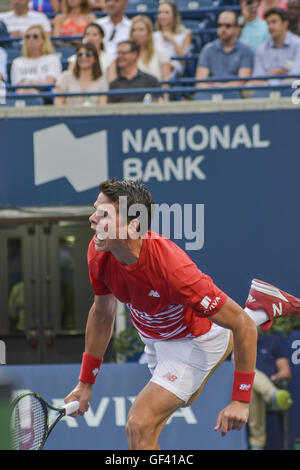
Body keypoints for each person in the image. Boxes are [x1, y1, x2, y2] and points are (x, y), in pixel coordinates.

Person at [64, 178, 300, 450]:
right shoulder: (98, 251)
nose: (92, 219)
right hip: (154, 338)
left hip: (193, 340)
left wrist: (240, 399)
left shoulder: (173, 270)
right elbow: (102, 314)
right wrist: (85, 384)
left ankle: (256, 313)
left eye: (103, 214)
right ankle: (259, 309)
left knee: (139, 424)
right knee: (145, 432)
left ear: (133, 225)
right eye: (96, 209)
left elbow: (241, 326)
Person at [248, 332, 293, 450]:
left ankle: (257, 443)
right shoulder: (230, 343)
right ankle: (272, 394)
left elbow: (286, 372)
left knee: (251, 387)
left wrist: (276, 377)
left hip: (258, 391)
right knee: (248, 373)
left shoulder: (272, 341)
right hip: (235, 390)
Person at [194, 10, 254, 97]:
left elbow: (242, 82)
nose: (223, 29)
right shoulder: (207, 49)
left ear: (236, 28)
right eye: (220, 25)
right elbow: (199, 83)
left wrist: (220, 87)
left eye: (228, 26)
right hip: (210, 95)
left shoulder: (246, 50)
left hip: (235, 96)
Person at [252, 8, 300, 85]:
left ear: (285, 24)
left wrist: (270, 78)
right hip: (266, 90)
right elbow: (258, 77)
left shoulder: (298, 44)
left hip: (292, 89)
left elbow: (296, 74)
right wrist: (271, 76)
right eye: (268, 23)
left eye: (274, 22)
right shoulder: (261, 48)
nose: (270, 26)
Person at [10, 24, 61, 93]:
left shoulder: (52, 59)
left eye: (35, 36)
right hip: (23, 93)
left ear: (43, 39)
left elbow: (50, 83)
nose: (31, 39)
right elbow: (18, 84)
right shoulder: (17, 62)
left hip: (45, 94)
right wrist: (35, 84)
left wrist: (29, 83)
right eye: (27, 37)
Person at [153, 1, 192, 75]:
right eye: (160, 13)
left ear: (174, 15)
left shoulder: (185, 34)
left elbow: (184, 60)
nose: (162, 16)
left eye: (166, 13)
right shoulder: (153, 35)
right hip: (156, 69)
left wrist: (173, 40)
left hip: (175, 71)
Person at [129, 15, 172, 82]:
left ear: (149, 32)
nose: (136, 33)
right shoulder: (127, 55)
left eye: (141, 29)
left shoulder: (161, 52)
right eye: (133, 30)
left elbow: (166, 82)